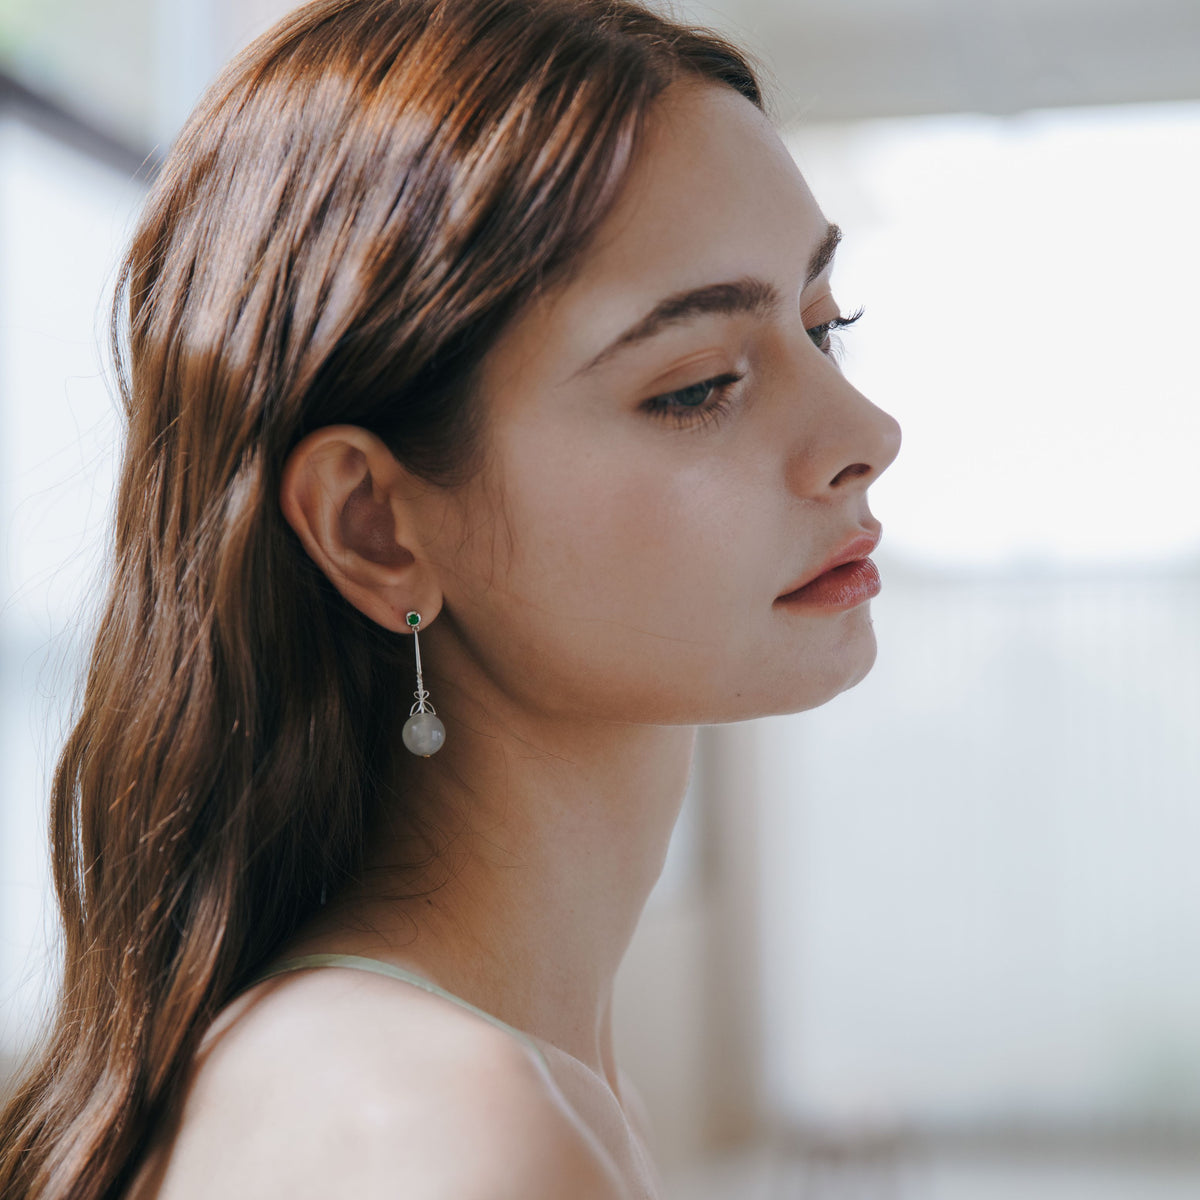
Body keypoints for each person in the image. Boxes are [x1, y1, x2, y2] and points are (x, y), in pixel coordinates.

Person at [0, 0, 901, 1196]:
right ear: (376, 527)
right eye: (698, 386)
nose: (867, 435)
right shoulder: (444, 1128)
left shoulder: (514, 1080)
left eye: (823, 328)